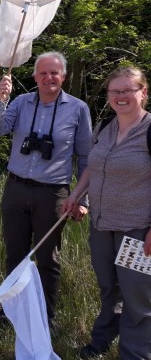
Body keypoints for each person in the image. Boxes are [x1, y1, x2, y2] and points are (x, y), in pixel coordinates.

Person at [0, 51, 92, 329]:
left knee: (47, 257)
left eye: (54, 73)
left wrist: (82, 199)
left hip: (53, 193)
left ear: (63, 76)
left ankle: (46, 318)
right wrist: (0, 99)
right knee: (15, 253)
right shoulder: (21, 102)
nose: (48, 78)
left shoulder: (78, 108)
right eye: (43, 73)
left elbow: (85, 157)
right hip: (16, 188)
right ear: (34, 77)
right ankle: (12, 313)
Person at [63, 66, 151, 360]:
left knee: (137, 294)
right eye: (115, 91)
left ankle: (135, 353)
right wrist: (76, 194)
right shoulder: (104, 127)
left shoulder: (149, 130)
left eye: (128, 90)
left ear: (143, 92)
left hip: (137, 229)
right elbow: (93, 166)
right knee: (108, 287)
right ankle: (101, 341)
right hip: (101, 224)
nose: (121, 96)